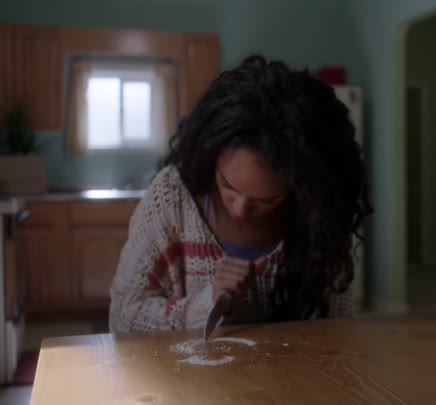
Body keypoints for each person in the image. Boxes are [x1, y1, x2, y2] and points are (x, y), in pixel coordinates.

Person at [109, 55, 372, 332]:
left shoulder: (317, 213)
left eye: (266, 200)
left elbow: (336, 327)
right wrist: (208, 304)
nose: (240, 209)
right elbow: (123, 317)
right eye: (228, 186)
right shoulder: (173, 196)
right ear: (212, 154)